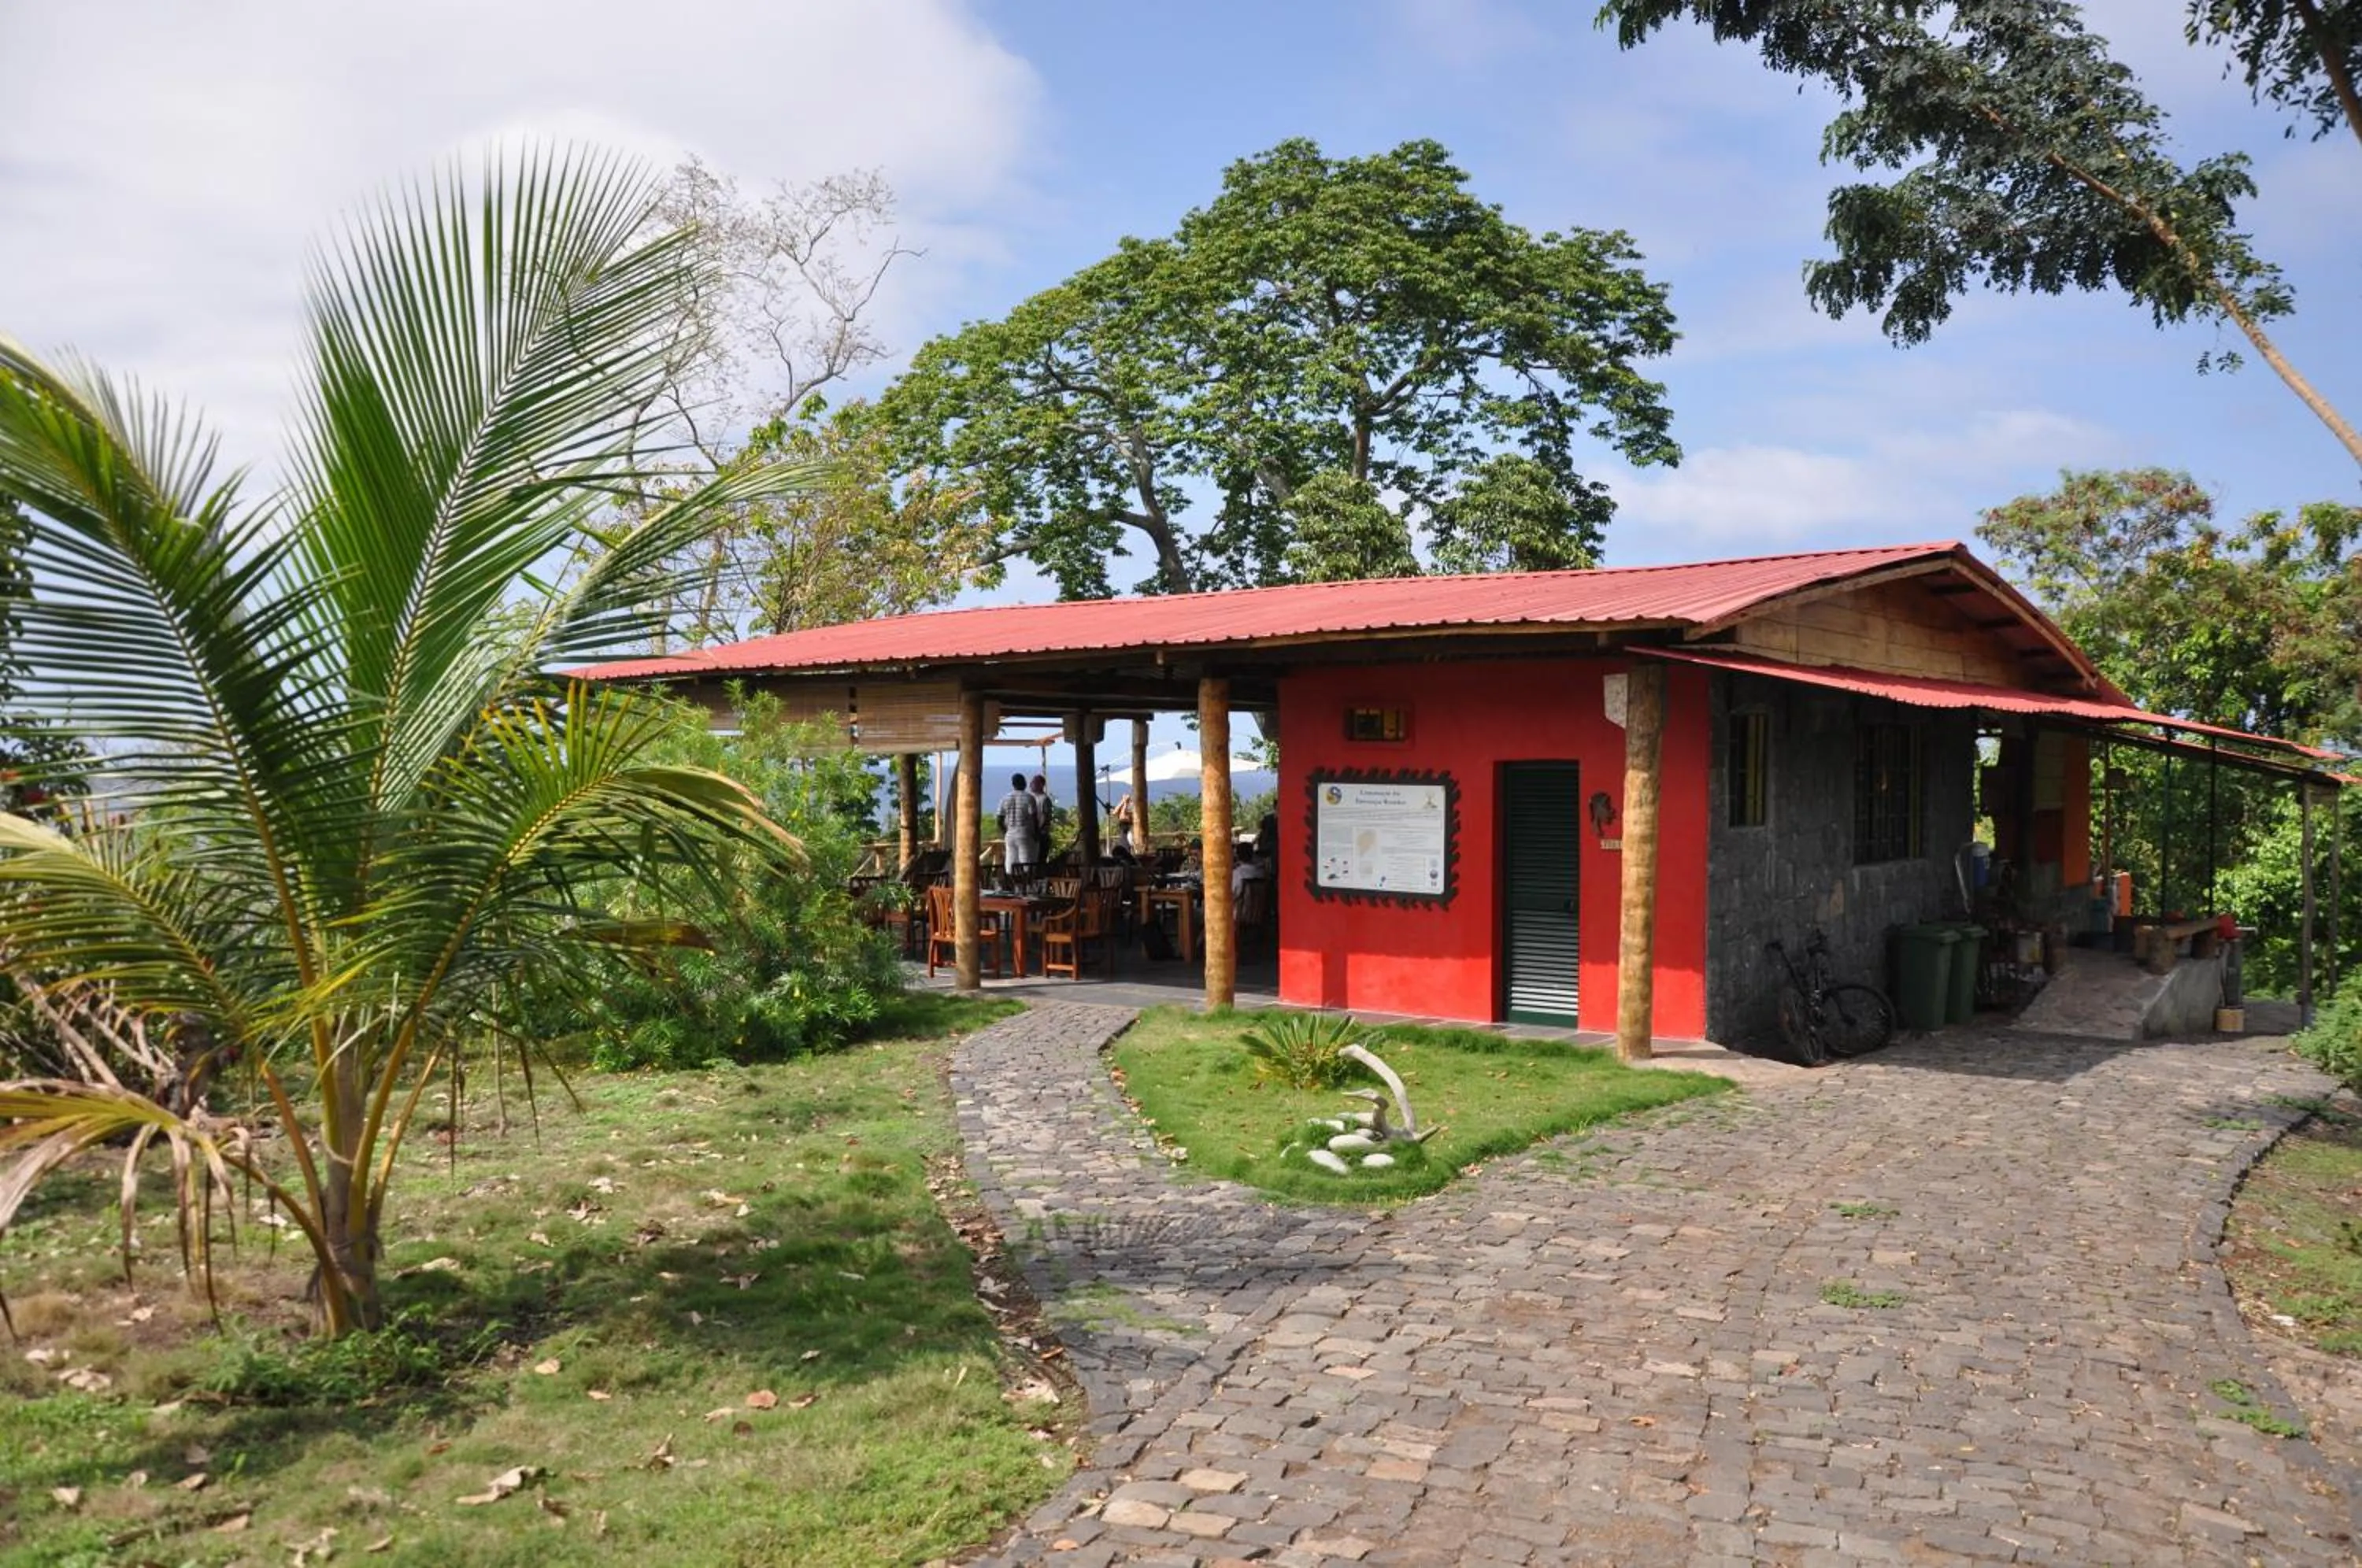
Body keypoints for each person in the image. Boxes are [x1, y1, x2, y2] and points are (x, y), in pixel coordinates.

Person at [997, 772, 1038, 874]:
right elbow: (1034, 818)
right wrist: (1036, 833)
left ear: (1013, 784)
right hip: (1025, 833)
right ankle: (1026, 884)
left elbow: (999, 819)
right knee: (1026, 862)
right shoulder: (1029, 798)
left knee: (1010, 861)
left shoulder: (1005, 798)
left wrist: (1005, 831)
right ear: (1024, 783)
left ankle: (1012, 885)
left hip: (1010, 834)